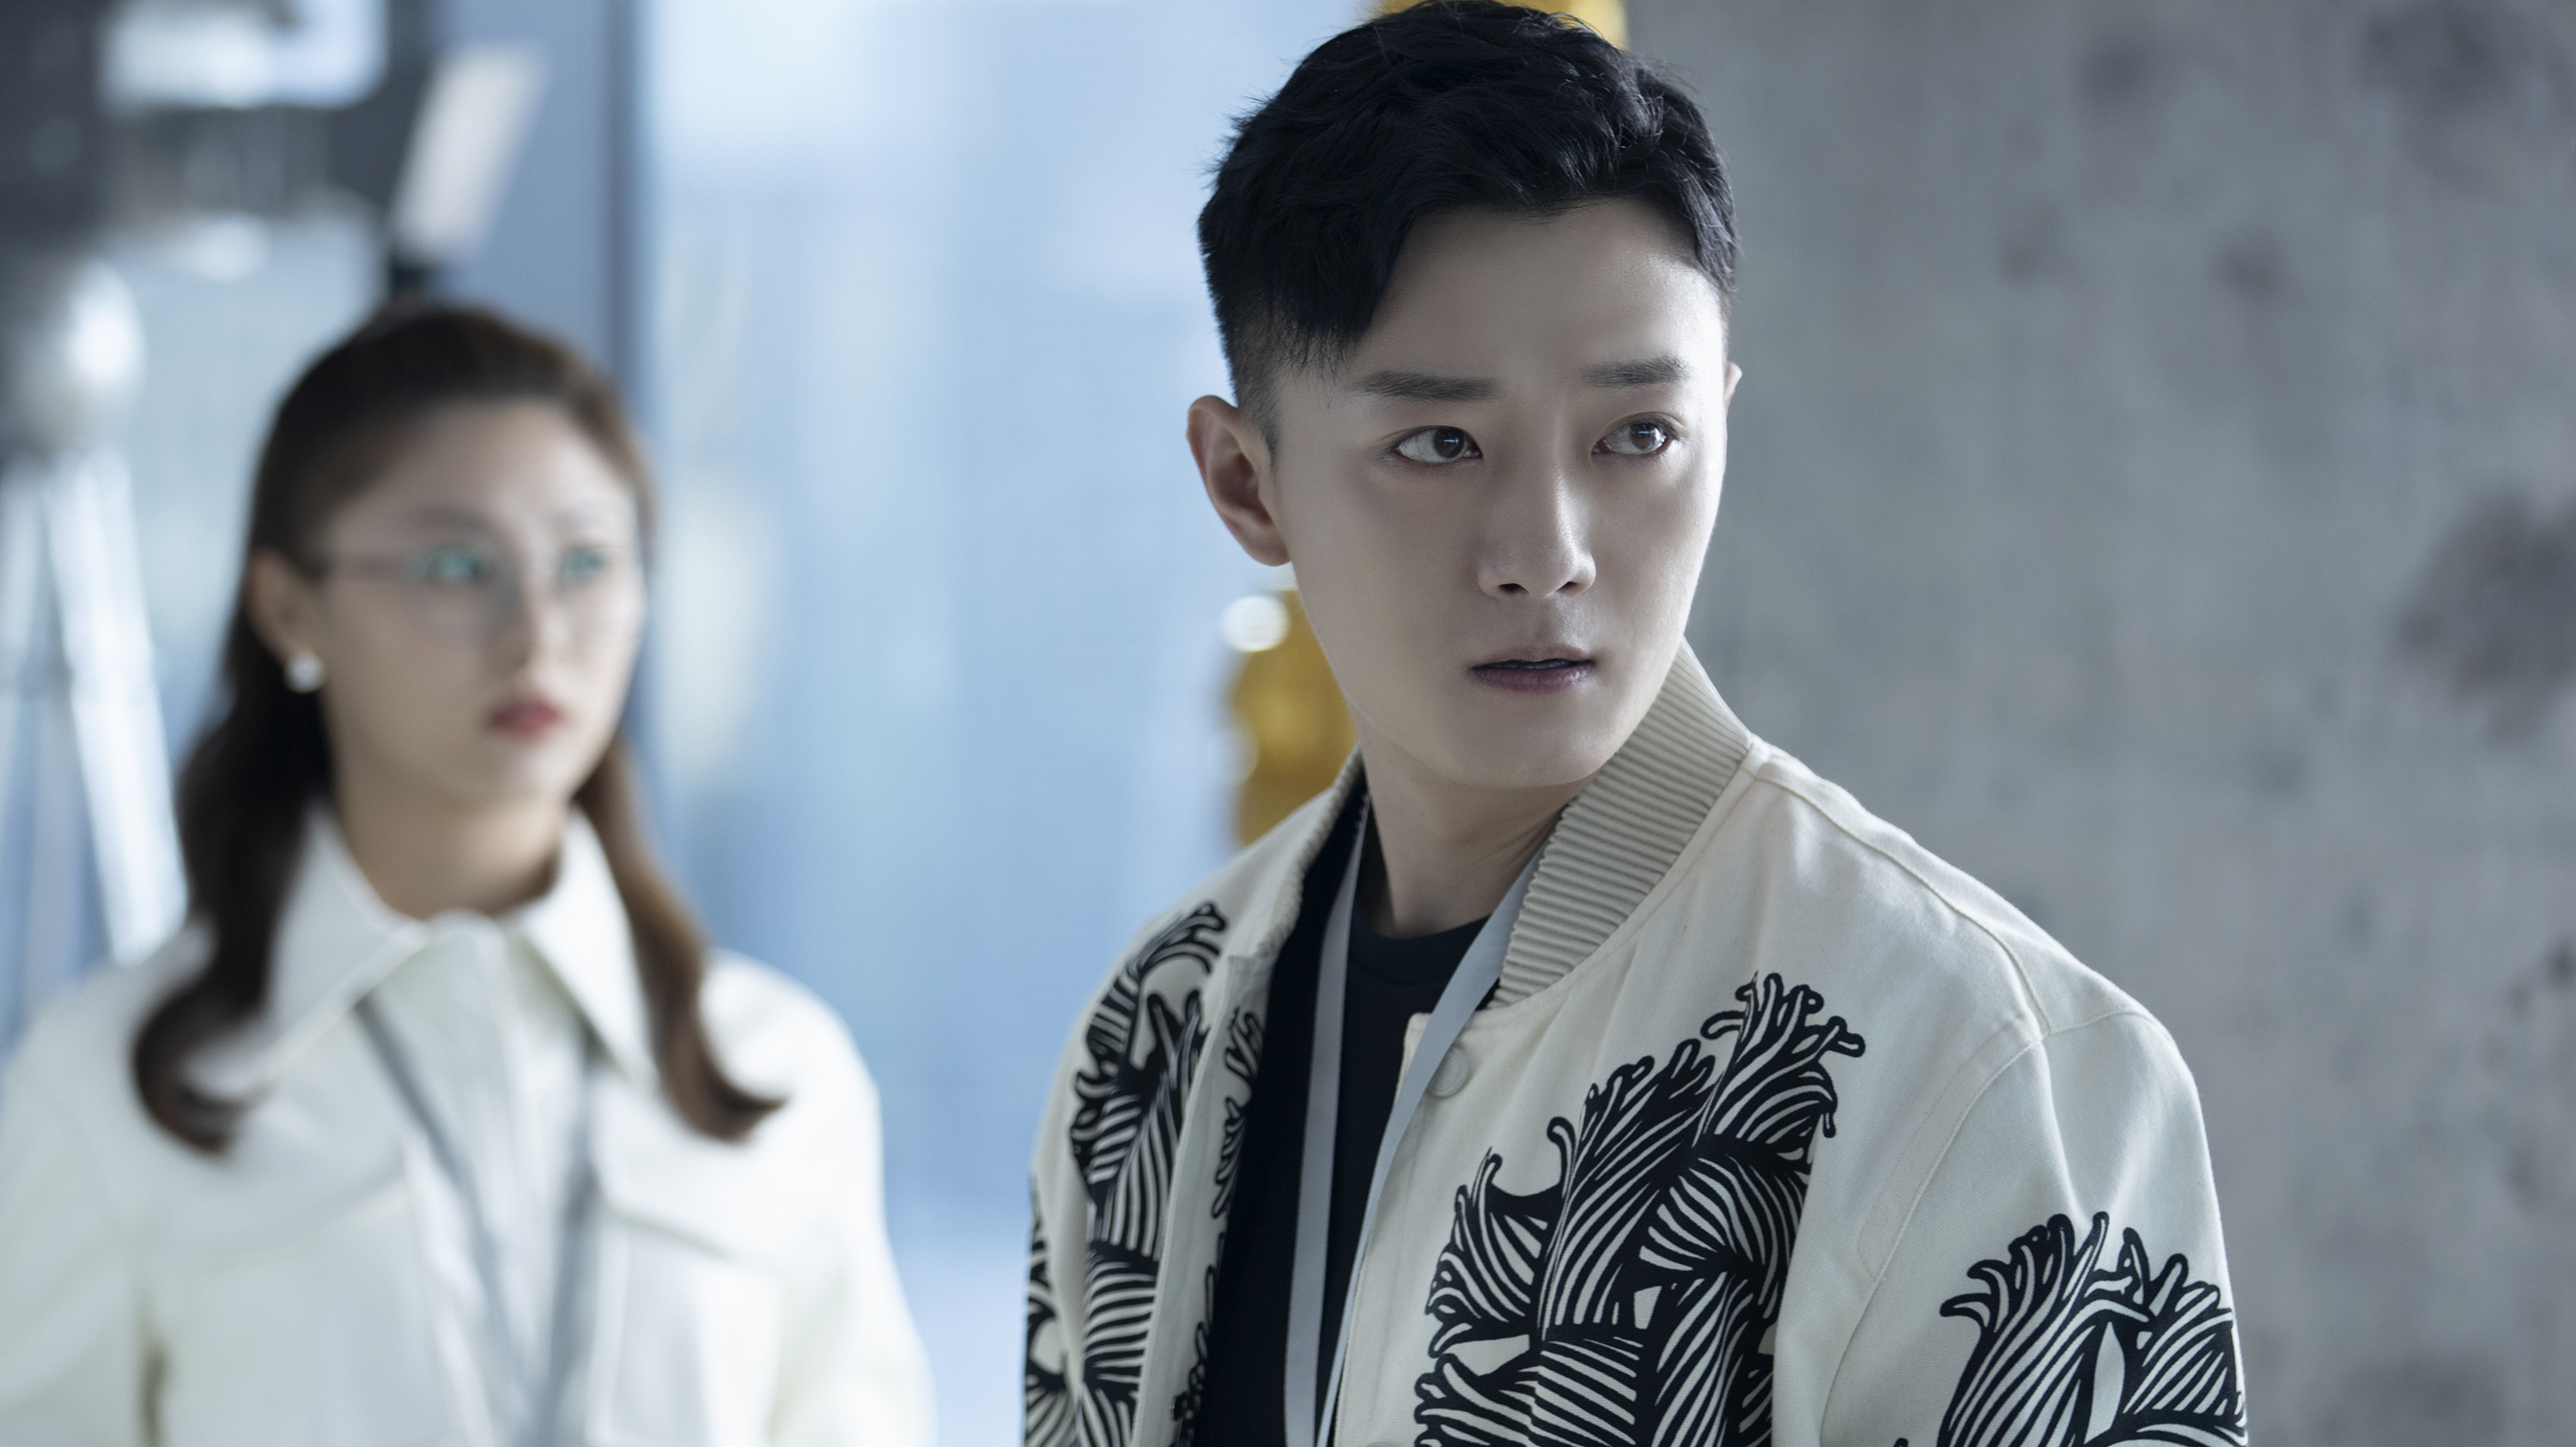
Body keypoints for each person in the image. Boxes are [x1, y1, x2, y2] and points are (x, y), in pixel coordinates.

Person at [1024, 6, 2244, 1447]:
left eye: (1637, 437)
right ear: (1247, 481)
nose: (1546, 552)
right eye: (1438, 443)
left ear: (1721, 421)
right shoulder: (1152, 1033)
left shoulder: (1987, 1063)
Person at [0, 305, 933, 1446]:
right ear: (289, 607)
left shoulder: (779, 1075)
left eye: (586, 563)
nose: (537, 633)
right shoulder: (102, 1091)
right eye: (455, 565)